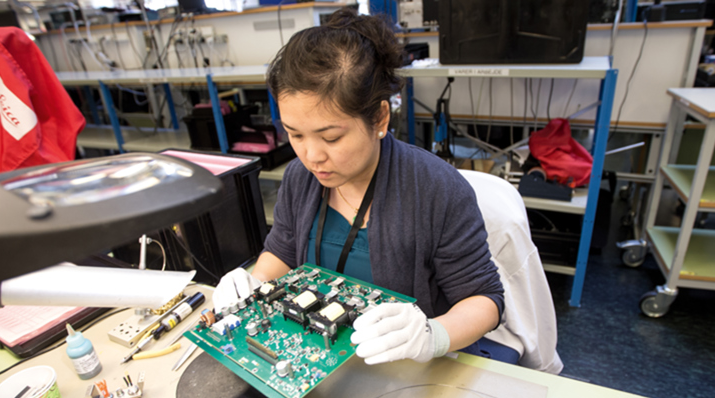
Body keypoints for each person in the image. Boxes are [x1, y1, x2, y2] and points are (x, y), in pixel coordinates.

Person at [213, 9, 514, 365]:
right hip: (317, 355)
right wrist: (253, 280)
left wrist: (433, 336)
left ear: (380, 119)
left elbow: (486, 300)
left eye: (331, 137)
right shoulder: (299, 178)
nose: (312, 156)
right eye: (294, 134)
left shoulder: (436, 190)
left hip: (407, 366)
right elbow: (283, 251)